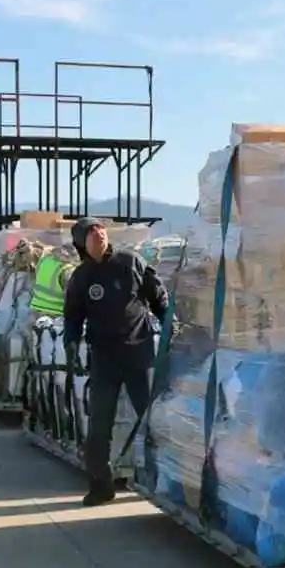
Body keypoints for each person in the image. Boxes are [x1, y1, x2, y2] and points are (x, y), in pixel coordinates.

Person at [62, 217, 170, 507]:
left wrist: (170, 324)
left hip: (139, 354)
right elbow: (72, 315)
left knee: (151, 421)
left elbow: (158, 298)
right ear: (82, 244)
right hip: (104, 359)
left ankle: (166, 481)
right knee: (99, 426)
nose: (100, 235)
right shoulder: (81, 277)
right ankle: (101, 486)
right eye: (92, 233)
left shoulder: (130, 262)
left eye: (102, 230)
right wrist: (70, 341)